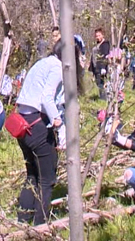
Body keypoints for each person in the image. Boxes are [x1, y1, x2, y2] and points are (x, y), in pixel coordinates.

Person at [14, 40, 83, 224]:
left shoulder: (42, 63)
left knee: (33, 174)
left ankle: (22, 218)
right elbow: (46, 98)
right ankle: (40, 225)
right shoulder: (58, 67)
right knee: (47, 179)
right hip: (36, 125)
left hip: (22, 123)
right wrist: (59, 125)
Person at [88, 28, 111, 100]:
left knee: (101, 83)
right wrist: (92, 69)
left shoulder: (105, 44)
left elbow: (105, 56)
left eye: (99, 35)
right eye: (96, 36)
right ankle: (102, 97)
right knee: (98, 83)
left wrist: (103, 67)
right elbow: (93, 57)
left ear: (103, 35)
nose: (97, 37)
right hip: (96, 68)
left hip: (101, 68)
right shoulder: (97, 45)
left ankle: (104, 98)